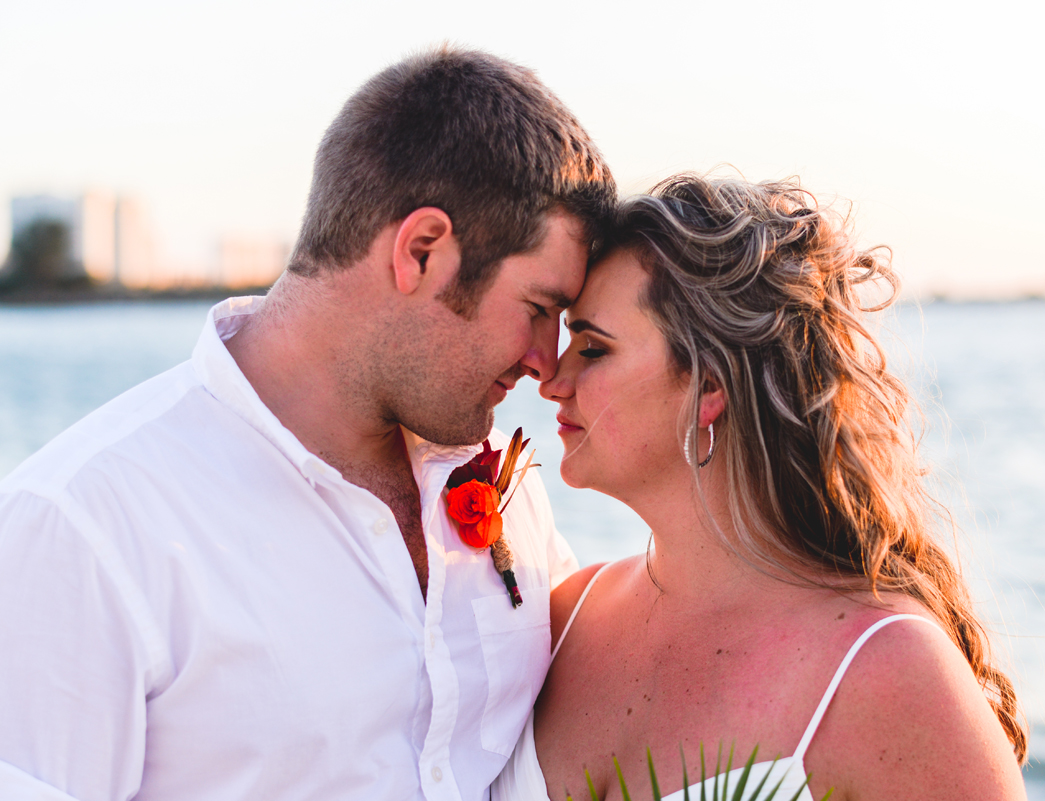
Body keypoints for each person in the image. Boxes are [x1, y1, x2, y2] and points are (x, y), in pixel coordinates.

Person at [0, 48, 616, 801]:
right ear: (421, 252)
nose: (544, 363)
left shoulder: (504, 488)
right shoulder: (78, 529)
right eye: (538, 309)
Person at [493, 174, 1027, 801]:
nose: (551, 380)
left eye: (592, 348)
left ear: (709, 387)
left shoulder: (888, 670)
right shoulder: (564, 619)